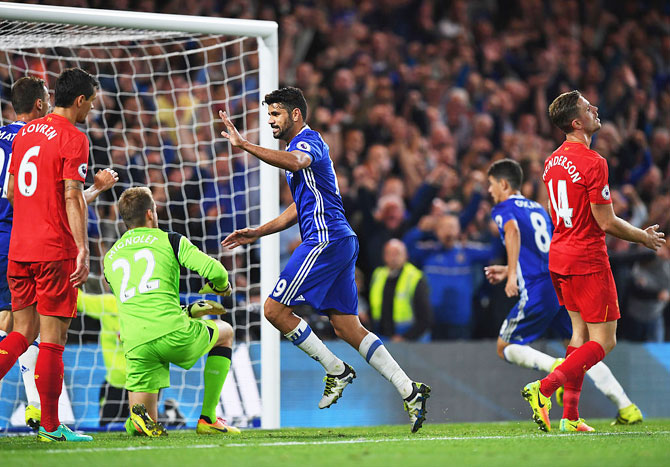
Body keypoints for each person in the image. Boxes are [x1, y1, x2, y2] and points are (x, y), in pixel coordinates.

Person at [219, 87, 430, 433]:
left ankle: (336, 369)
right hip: (339, 240)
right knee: (347, 326)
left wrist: (245, 146)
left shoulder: (308, 142)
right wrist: (259, 231)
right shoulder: (295, 151)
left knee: (273, 310)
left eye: (276, 114)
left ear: (296, 115)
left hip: (325, 239)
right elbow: (297, 208)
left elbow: (299, 162)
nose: (270, 121)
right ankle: (409, 390)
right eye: (268, 114)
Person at [521, 90, 665, 433]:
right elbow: (606, 222)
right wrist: (643, 237)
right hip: (587, 257)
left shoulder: (552, 160)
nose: (595, 109)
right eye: (588, 108)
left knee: (579, 334)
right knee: (605, 341)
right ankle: (544, 388)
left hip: (560, 255)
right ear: (576, 122)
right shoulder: (594, 162)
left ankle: (569, 417)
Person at [485, 158, 643, 427]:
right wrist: (509, 267)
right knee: (583, 345)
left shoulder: (503, 208)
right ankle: (626, 406)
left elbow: (512, 232)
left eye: (490, 185)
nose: (489, 191)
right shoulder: (536, 207)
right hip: (560, 281)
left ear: (503, 183)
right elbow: (541, 248)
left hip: (536, 288)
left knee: (504, 347)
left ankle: (555, 369)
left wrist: (512, 274)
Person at [0, 75, 118, 433]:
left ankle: (49, 423)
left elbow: (10, 191)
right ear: (80, 100)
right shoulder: (74, 137)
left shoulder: (25, 134)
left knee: (20, 333)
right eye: (92, 101)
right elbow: (70, 195)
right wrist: (82, 247)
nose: (93, 107)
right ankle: (51, 426)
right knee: (52, 339)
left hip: (19, 246)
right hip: (53, 250)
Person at [103, 187, 239, 437]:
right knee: (226, 332)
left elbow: (142, 302)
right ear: (150, 214)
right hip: (173, 334)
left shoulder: (110, 257)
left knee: (145, 424)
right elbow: (217, 271)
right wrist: (222, 287)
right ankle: (208, 418)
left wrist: (185, 311)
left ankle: (137, 421)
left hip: (135, 344)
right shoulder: (169, 239)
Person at [404, 213, 498, 340]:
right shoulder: (428, 251)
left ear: (459, 230)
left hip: (460, 321)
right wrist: (419, 230)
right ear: (436, 231)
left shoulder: (467, 251)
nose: (448, 231)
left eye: (452, 227)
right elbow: (405, 249)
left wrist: (496, 233)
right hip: (433, 319)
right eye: (444, 227)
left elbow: (494, 252)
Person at [368, 239, 432, 341]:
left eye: (397, 253)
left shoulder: (415, 278)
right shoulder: (378, 275)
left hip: (411, 338)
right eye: (390, 253)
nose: (393, 258)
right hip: (382, 336)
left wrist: (405, 338)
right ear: (384, 256)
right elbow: (372, 308)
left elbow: (425, 318)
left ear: (406, 255)